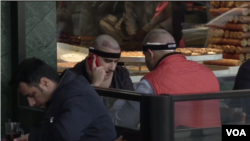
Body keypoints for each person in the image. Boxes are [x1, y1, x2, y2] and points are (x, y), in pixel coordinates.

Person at [109, 29, 221, 129]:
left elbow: (122, 122)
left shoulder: (150, 83)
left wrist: (122, 98)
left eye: (145, 55)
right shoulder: (209, 73)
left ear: (150, 54)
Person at [9, 58, 117, 141]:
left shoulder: (76, 94)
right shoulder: (64, 92)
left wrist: (32, 138)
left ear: (45, 82)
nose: (31, 103)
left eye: (32, 95)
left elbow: (65, 135)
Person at [70, 34, 134, 109]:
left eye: (116, 61)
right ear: (92, 56)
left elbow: (132, 107)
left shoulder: (122, 74)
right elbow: (77, 112)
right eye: (108, 61)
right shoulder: (73, 77)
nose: (113, 68)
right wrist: (95, 85)